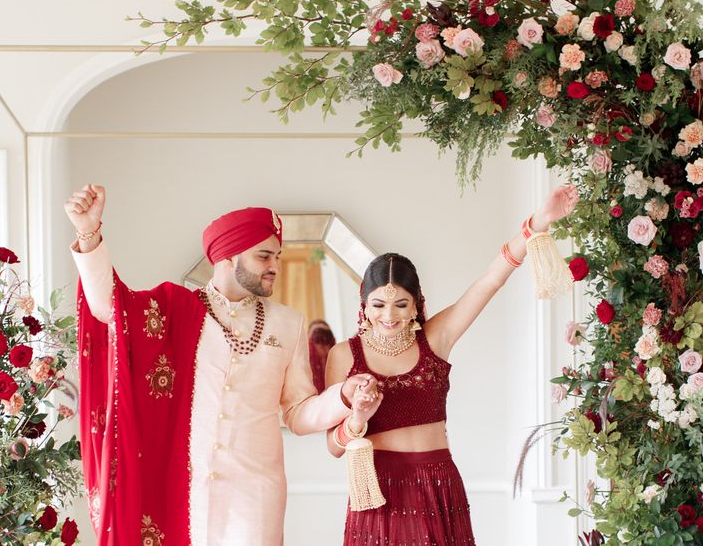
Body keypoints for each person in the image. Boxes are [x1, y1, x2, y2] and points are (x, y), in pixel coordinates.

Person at [64, 184, 378, 545]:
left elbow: (298, 411)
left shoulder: (287, 323)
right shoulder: (173, 312)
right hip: (182, 489)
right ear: (228, 257)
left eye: (277, 256)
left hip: (255, 496)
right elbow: (109, 307)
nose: (275, 266)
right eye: (264, 256)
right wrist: (88, 234)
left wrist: (342, 396)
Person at [326, 185, 579, 545]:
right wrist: (356, 421)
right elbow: (333, 447)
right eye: (379, 304)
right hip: (376, 489)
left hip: (437, 483)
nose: (389, 314)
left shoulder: (434, 339)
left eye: (401, 303)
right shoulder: (344, 355)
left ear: (416, 305)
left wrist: (537, 222)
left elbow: (490, 281)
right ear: (364, 304)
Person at [307, 319, 337, 393]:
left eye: (327, 337)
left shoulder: (339, 358)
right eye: (317, 339)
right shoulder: (302, 362)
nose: (322, 344)